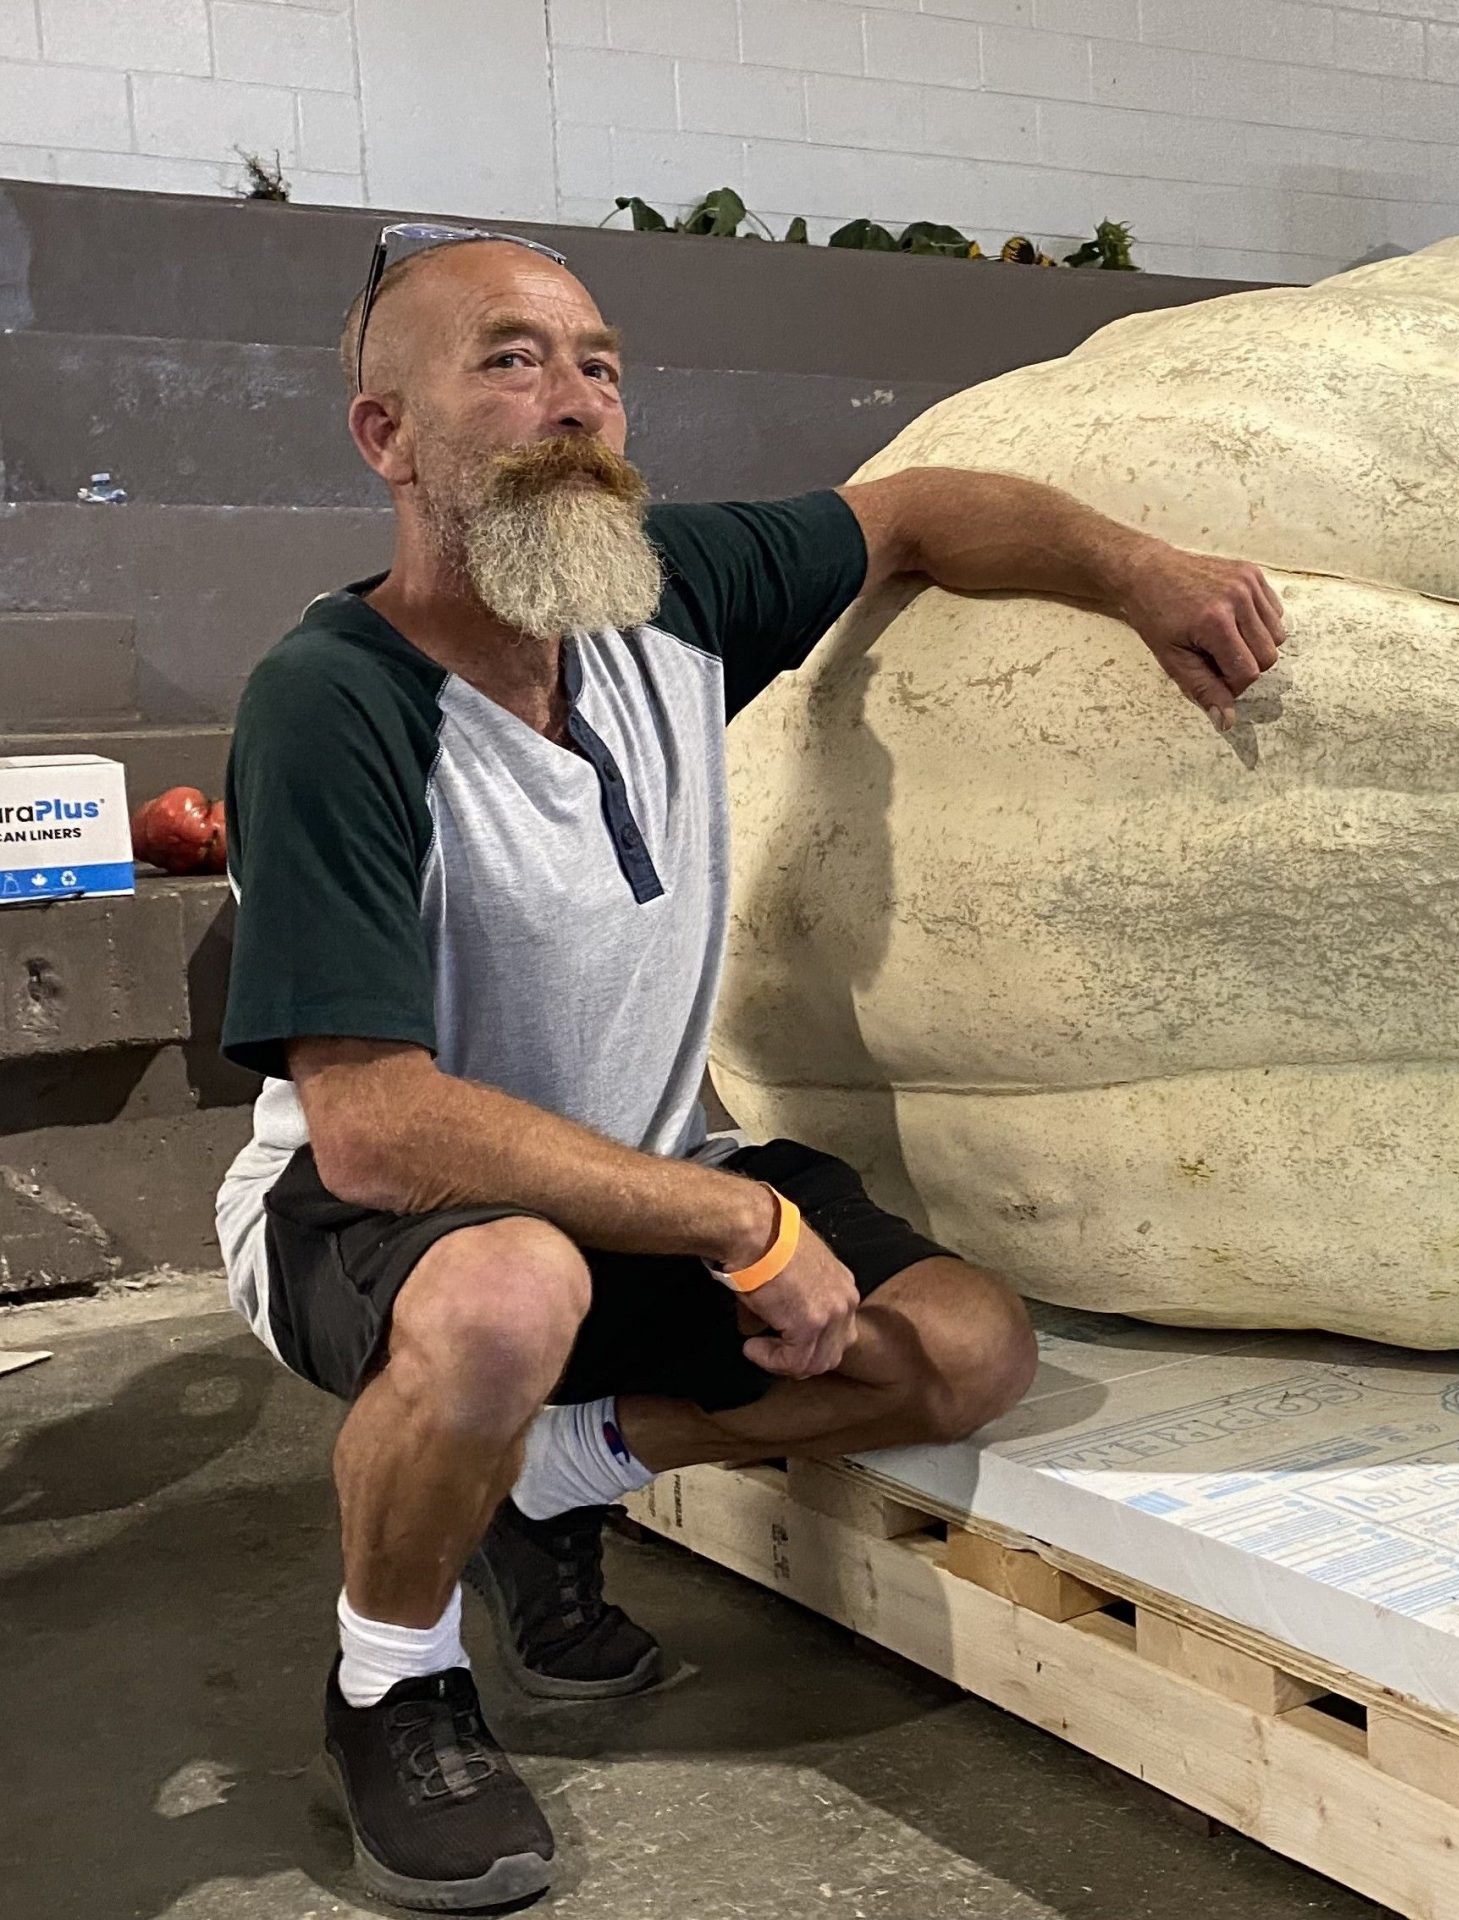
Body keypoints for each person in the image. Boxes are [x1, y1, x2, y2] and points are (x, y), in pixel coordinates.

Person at [212, 221, 1286, 1911]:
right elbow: (371, 1125)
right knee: (506, 1296)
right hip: (383, 1220)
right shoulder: (331, 702)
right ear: (386, 437)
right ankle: (391, 1682)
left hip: (645, 1182)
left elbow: (920, 511)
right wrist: (739, 1231)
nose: (574, 402)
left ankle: (541, 1476)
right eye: (508, 361)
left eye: (600, 365)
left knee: (962, 1349)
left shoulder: (679, 595)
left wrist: (1138, 571)